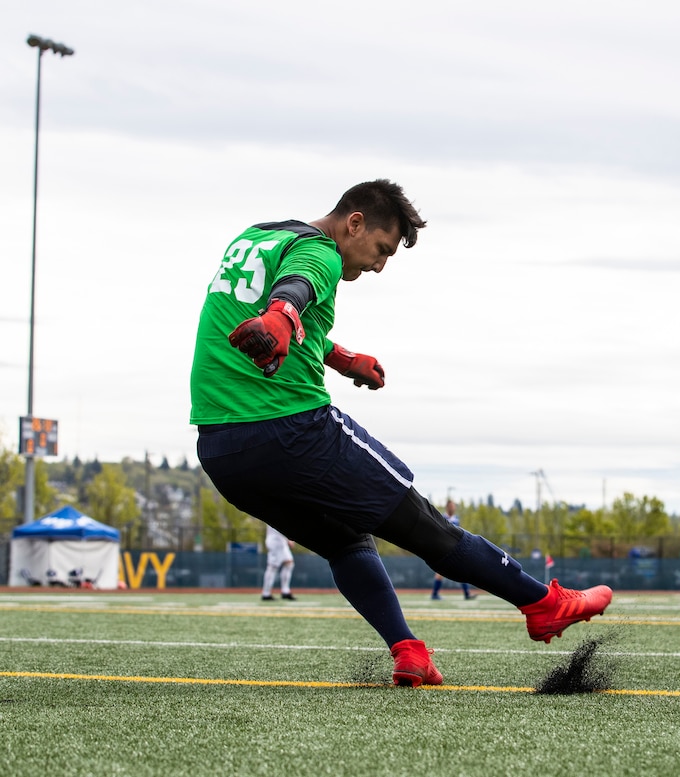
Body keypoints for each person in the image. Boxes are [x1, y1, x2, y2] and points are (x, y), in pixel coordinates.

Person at [189, 179, 612, 687]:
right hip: (291, 430)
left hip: (222, 451)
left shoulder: (254, 237)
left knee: (345, 543)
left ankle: (409, 650)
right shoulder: (320, 253)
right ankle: (542, 603)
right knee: (428, 527)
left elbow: (259, 318)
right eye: (382, 249)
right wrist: (282, 314)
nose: (378, 265)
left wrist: (342, 358)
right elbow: (294, 291)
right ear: (355, 223)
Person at [431, 500, 476, 600]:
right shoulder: (442, 517)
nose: (453, 508)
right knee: (440, 572)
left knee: (462, 569)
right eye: (451, 506)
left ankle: (466, 593)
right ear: (447, 507)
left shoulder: (456, 519)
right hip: (443, 548)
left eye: (454, 506)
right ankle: (434, 594)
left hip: (455, 549)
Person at [261, 524, 295, 601]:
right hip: (276, 541)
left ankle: (285, 591)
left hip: (280, 540)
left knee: (289, 564)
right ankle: (266, 594)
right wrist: (289, 539)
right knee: (273, 567)